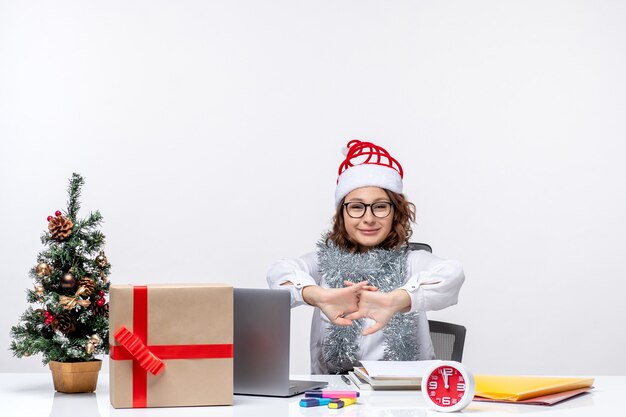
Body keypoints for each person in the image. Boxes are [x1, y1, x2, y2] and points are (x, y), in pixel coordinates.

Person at [267, 140, 465, 374]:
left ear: (395, 213)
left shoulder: (412, 261)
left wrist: (396, 300)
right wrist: (318, 296)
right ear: (342, 214)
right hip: (334, 394)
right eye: (357, 207)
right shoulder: (323, 262)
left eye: (380, 207)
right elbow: (278, 274)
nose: (368, 218)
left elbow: (453, 274)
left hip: (403, 392)